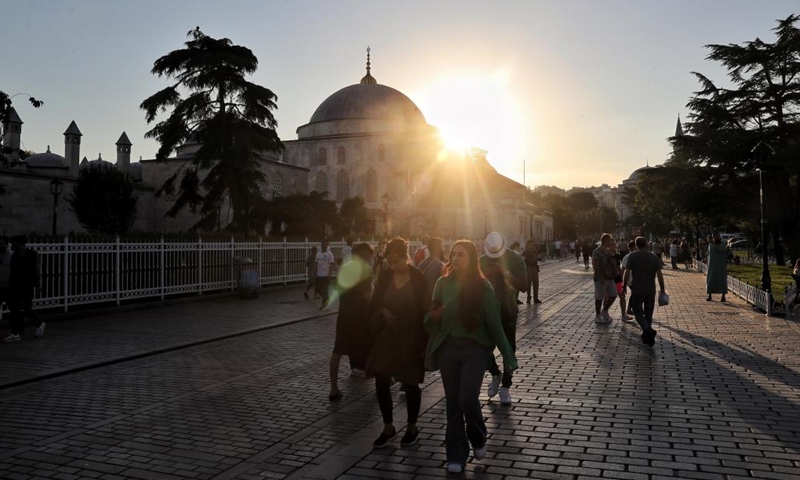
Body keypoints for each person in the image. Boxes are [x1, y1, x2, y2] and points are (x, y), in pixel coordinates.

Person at [425, 240, 518, 474]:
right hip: (448, 349)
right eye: (453, 254)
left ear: (472, 258)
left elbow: (494, 323)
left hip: (474, 350)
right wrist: (434, 316)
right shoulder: (442, 284)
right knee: (453, 403)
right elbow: (429, 321)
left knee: (467, 398)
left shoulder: (482, 287)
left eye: (461, 255)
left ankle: (478, 435)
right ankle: (455, 454)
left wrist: (508, 356)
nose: (456, 259)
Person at [365, 238, 429, 449]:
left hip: (412, 338)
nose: (393, 266)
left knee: (410, 384)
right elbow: (375, 303)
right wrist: (384, 311)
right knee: (381, 378)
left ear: (406, 257)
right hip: (388, 337)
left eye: (397, 262)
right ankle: (388, 426)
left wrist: (426, 342)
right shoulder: (385, 276)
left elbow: (426, 309)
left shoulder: (418, 278)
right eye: (390, 262)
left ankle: (412, 427)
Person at [479, 232, 526, 405]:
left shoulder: (515, 259)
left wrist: (504, 273)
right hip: (486, 309)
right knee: (482, 345)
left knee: (509, 347)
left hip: (508, 308)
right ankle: (495, 373)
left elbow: (524, 286)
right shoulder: (481, 260)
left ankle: (506, 385)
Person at [329, 243, 374, 400]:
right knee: (374, 346)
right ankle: (382, 379)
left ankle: (333, 389)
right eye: (369, 256)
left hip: (344, 317)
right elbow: (367, 297)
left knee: (337, 352)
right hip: (360, 319)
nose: (370, 259)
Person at [623, 236, 666, 347]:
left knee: (637, 311)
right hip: (650, 289)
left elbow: (627, 272)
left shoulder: (632, 256)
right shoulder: (653, 257)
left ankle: (647, 330)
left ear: (636, 245)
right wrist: (662, 289)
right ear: (646, 244)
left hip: (637, 288)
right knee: (648, 312)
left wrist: (624, 285)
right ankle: (648, 335)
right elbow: (659, 275)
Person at [3, 235, 43, 342]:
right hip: (14, 285)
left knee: (27, 308)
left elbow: (36, 270)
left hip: (27, 285)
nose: (12, 246)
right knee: (15, 309)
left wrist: (38, 285)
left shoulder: (31, 254)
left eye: (14, 243)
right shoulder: (15, 255)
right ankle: (16, 333)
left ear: (20, 244)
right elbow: (12, 271)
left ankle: (39, 323)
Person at [592, 233, 618, 324]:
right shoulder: (597, 251)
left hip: (609, 277)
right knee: (599, 297)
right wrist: (599, 277)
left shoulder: (608, 251)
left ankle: (605, 310)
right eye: (610, 240)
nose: (611, 242)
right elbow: (595, 265)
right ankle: (598, 315)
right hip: (601, 278)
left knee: (614, 294)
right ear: (606, 241)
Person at [418, 237, 445, 301]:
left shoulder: (421, 264)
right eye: (441, 246)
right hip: (435, 300)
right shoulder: (441, 265)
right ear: (437, 248)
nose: (442, 249)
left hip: (422, 299)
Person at [706, 232, 728, 302]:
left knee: (722, 280)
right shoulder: (710, 244)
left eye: (716, 236)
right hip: (712, 265)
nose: (715, 238)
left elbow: (719, 250)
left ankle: (723, 296)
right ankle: (709, 295)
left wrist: (713, 244)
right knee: (710, 280)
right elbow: (708, 253)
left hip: (720, 265)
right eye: (714, 237)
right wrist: (706, 260)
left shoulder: (723, 244)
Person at [315, 239, 336, 310]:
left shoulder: (330, 254)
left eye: (326, 244)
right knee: (318, 289)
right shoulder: (318, 254)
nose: (324, 245)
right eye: (323, 244)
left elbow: (332, 265)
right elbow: (316, 264)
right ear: (321, 244)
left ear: (327, 245)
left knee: (325, 290)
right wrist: (314, 273)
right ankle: (328, 298)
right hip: (319, 275)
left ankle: (323, 305)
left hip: (326, 275)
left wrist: (330, 274)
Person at [522, 239, 542, 305]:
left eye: (533, 244)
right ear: (528, 245)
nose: (532, 245)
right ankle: (528, 297)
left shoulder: (535, 251)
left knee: (536, 283)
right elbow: (526, 261)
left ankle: (536, 298)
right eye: (531, 244)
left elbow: (539, 258)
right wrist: (536, 258)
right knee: (528, 284)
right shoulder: (525, 252)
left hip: (535, 268)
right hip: (528, 268)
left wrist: (539, 257)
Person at [0, 236, 12, 310]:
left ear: (6, 245)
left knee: (13, 308)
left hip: (8, 287)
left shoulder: (11, 256)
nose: (0, 246)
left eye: (2, 244)